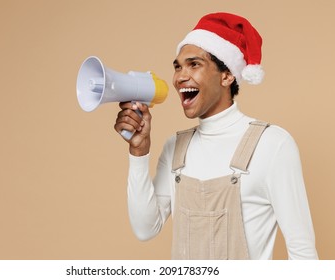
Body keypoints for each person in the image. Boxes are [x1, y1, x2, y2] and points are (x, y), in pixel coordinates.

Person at [114, 12, 318, 259]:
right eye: (178, 66)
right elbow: (145, 229)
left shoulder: (273, 144)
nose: (180, 77)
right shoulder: (176, 147)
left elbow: (303, 253)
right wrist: (138, 152)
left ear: (227, 75)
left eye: (194, 64)